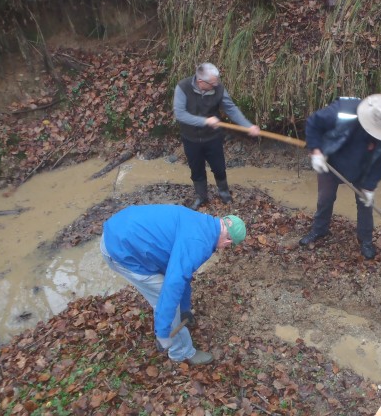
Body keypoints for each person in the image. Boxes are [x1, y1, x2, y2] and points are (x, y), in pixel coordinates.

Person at [100, 204, 247, 365]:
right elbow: (173, 284)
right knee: (166, 297)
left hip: (120, 227)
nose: (225, 248)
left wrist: (185, 309)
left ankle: (174, 322)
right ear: (228, 240)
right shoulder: (199, 243)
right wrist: (163, 332)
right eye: (229, 246)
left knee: (174, 296)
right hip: (122, 250)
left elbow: (182, 272)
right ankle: (180, 352)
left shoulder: (203, 223)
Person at [299, 94, 381, 260]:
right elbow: (314, 122)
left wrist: (370, 187)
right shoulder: (344, 111)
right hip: (331, 161)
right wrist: (316, 151)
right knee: (325, 198)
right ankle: (320, 230)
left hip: (362, 170)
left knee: (365, 204)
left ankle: (365, 240)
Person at [173, 62, 261, 210]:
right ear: (201, 82)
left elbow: (231, 109)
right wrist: (204, 121)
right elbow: (180, 114)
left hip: (212, 138)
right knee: (197, 169)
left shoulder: (218, 88)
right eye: (213, 83)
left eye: (217, 81)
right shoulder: (183, 87)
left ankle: (224, 193)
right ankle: (201, 197)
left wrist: (248, 125)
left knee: (219, 168)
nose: (217, 85)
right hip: (191, 139)